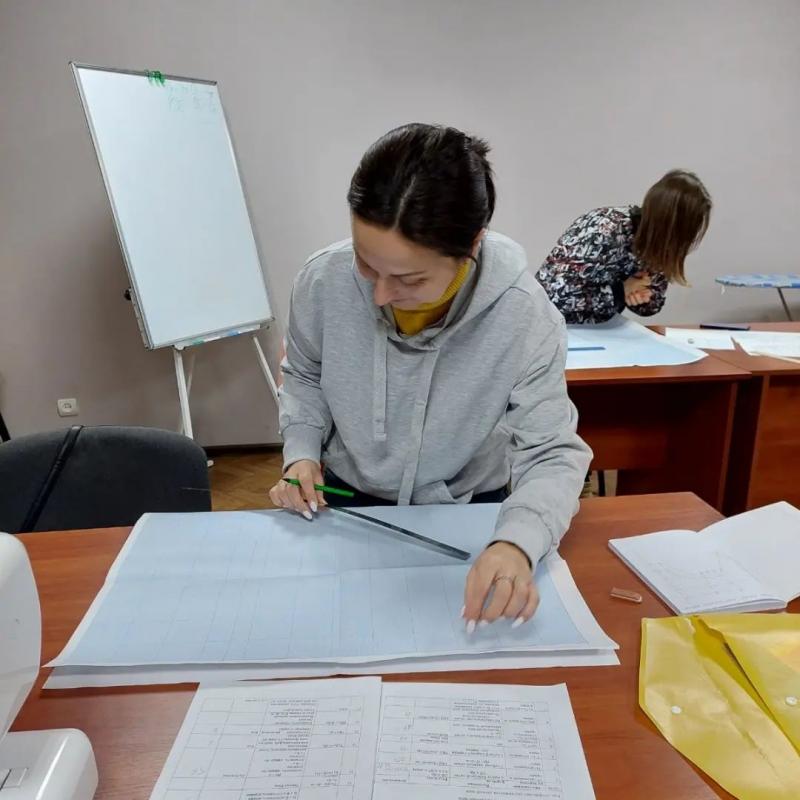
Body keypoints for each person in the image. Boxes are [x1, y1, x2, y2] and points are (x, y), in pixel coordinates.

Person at [269, 123, 591, 631]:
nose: (380, 294)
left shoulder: (524, 316)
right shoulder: (321, 280)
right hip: (345, 504)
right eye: (366, 264)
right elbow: (305, 374)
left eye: (409, 278)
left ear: (472, 245)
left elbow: (551, 452)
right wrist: (302, 453)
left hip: (467, 514)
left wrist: (517, 543)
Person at [536, 170, 712, 323]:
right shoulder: (605, 228)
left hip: (601, 331)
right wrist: (622, 291)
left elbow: (653, 303)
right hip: (551, 328)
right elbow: (557, 296)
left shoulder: (659, 244)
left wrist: (641, 296)